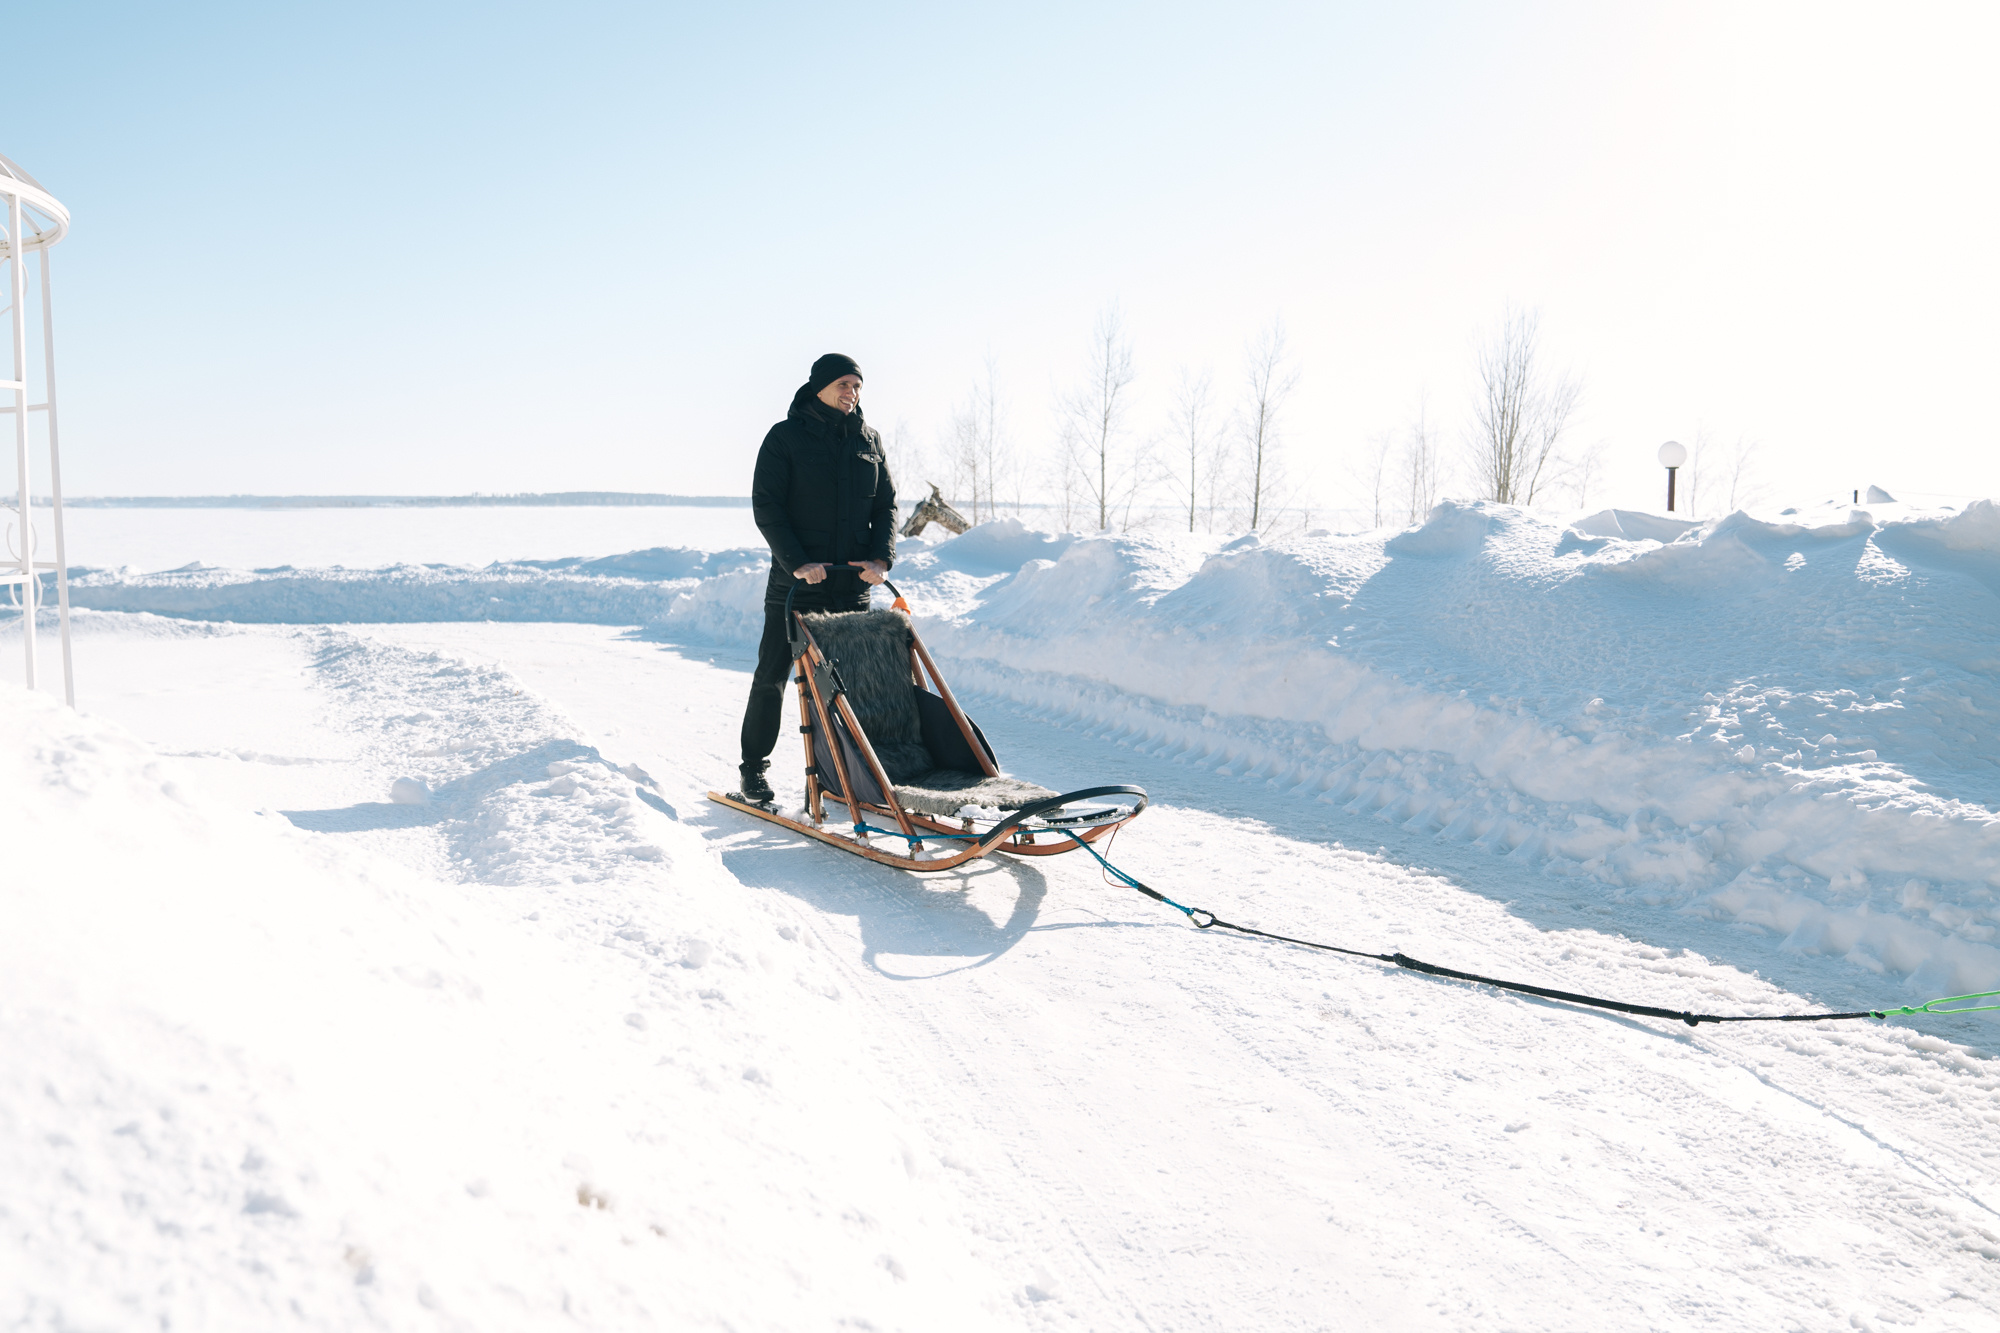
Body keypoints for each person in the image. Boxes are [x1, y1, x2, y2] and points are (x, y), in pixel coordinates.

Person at [733, 352, 897, 804]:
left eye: (858, 386)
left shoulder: (869, 440)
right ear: (820, 386)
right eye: (844, 384)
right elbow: (768, 506)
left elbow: (886, 506)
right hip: (796, 585)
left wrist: (881, 559)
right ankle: (753, 770)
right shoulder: (785, 438)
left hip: (852, 586)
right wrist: (797, 562)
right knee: (774, 675)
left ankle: (851, 774)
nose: (853, 394)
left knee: (855, 684)